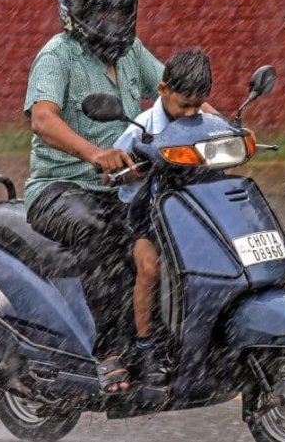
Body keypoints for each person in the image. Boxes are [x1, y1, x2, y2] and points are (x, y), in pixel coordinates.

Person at [22, 0, 164, 394]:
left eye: (122, 12)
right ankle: (111, 352)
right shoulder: (57, 55)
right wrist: (93, 153)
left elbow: (172, 92)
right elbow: (43, 119)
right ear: (75, 12)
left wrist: (222, 129)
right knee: (104, 235)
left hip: (121, 184)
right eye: (103, 11)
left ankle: (157, 342)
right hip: (59, 188)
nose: (114, 22)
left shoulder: (132, 52)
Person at [113, 48, 213, 385]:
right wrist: (129, 169)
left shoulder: (203, 120)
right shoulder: (141, 129)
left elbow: (221, 133)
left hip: (188, 210)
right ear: (162, 90)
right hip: (145, 213)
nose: (190, 113)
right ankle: (145, 346)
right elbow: (110, 175)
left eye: (197, 106)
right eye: (183, 105)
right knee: (150, 267)